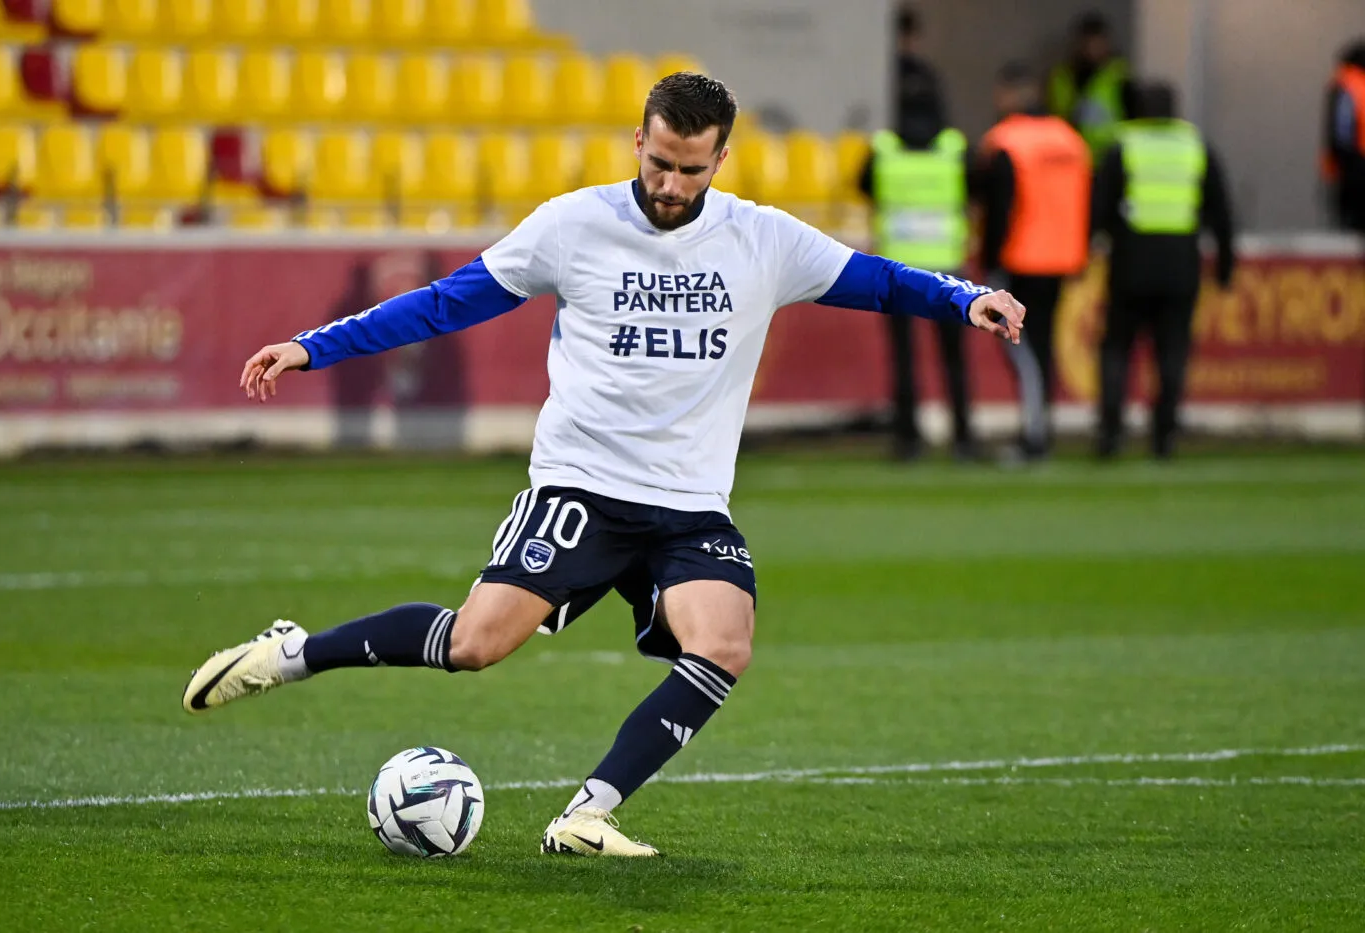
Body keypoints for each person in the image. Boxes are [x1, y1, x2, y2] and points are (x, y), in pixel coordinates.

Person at [181, 73, 1025, 858]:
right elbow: (445, 303)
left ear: (719, 159)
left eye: (690, 170)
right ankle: (296, 652)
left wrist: (963, 297)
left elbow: (878, 281)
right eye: (659, 162)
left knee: (723, 645)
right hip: (583, 485)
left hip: (691, 503)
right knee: (474, 645)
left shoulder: (761, 239)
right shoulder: (573, 226)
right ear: (639, 142)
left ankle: (587, 812)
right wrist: (313, 346)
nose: (670, 184)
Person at [858, 5, 979, 461]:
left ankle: (907, 440)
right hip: (948, 266)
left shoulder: (884, 152)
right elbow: (975, 192)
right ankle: (964, 438)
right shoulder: (953, 151)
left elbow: (863, 186)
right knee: (954, 358)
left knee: (905, 359)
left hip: (898, 269)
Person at [1092, 81, 1235, 460]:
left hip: (1131, 262)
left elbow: (1098, 207)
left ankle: (1110, 436)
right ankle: (1164, 437)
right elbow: (1221, 211)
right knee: (1172, 351)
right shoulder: (1195, 147)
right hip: (1180, 264)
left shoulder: (1123, 145)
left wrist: (1095, 245)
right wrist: (1225, 265)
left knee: (1117, 348)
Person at [976, 62, 1091, 461]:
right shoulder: (1070, 140)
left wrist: (990, 261)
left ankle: (1035, 437)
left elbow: (999, 209)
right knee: (1043, 347)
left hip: (1021, 259)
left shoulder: (1006, 141)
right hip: (1062, 259)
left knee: (1021, 347)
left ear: (1010, 94)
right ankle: (1042, 428)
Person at [1047, 11, 1134, 160]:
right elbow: (1057, 115)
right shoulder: (1064, 77)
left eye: (1099, 42)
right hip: (1072, 154)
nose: (1094, 48)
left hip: (1109, 155)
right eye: (1090, 42)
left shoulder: (1118, 75)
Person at [1322, 40, 1365, 233]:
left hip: (1351, 170)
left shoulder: (1346, 84)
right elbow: (1342, 136)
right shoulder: (1352, 84)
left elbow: (1340, 135)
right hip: (1356, 170)